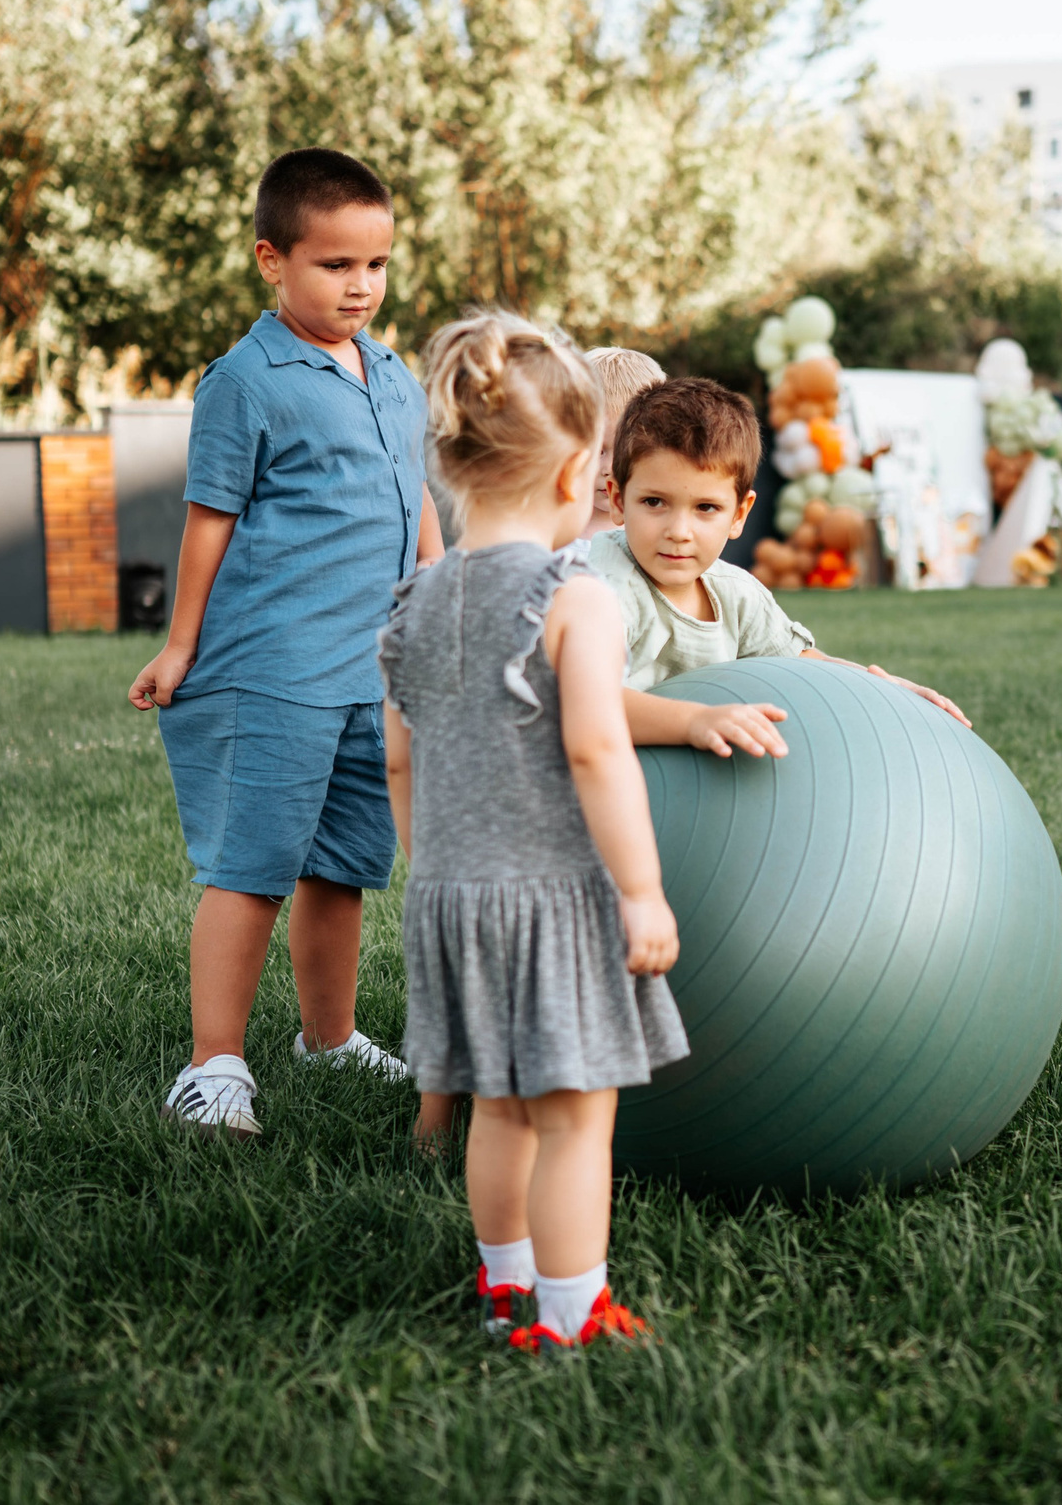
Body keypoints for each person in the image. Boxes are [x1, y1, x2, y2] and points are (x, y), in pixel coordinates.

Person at [377, 310, 687, 1352]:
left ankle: (502, 1286)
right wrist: (640, 890)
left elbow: (398, 756)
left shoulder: (411, 600)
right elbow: (600, 752)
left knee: (498, 1107)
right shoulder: (574, 594)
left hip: (451, 897)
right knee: (574, 1117)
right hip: (553, 899)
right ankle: (571, 1309)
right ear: (577, 478)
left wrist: (435, 866)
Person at [128, 148, 445, 1140]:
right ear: (273, 260)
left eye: (376, 265)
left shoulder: (393, 375)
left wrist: (443, 603)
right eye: (334, 264)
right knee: (254, 864)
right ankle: (212, 1063)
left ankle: (330, 1033)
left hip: (372, 670)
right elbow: (208, 517)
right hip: (273, 667)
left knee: (343, 864)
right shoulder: (246, 379)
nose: (360, 285)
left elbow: (418, 500)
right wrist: (180, 645)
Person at [587, 377, 970, 729]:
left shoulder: (735, 593)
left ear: (739, 515)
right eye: (655, 502)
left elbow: (802, 666)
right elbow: (587, 704)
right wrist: (694, 721)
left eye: (706, 508)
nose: (679, 532)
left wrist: (877, 686)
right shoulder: (604, 588)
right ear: (618, 500)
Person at [576, 347, 668, 547]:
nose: (610, 467)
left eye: (625, 450)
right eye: (597, 450)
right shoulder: (551, 531)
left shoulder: (660, 535)